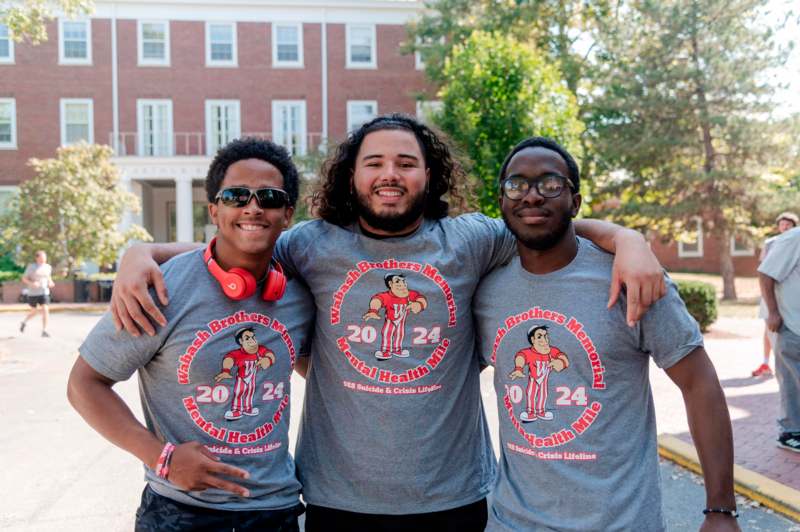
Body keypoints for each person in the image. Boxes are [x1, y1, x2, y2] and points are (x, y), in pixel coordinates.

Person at [108, 114, 667, 530]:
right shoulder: (312, 245)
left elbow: (544, 221)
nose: (389, 175)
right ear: (352, 175)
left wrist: (627, 239)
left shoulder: (471, 240)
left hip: (454, 499)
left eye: (405, 162)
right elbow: (237, 246)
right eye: (374, 162)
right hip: (336, 500)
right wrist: (142, 251)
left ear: (430, 173)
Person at [474, 137, 739, 531]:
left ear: (575, 202)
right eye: (517, 185)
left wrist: (721, 509)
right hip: (512, 522)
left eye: (550, 185)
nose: (532, 196)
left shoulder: (632, 278)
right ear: (501, 200)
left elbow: (700, 384)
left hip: (620, 523)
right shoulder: (486, 289)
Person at [67, 138, 314, 531]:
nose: (253, 206)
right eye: (236, 196)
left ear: (287, 214)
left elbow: (311, 367)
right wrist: (160, 457)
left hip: (277, 510)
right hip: (180, 513)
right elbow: (85, 383)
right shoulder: (161, 289)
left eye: (268, 196)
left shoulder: (299, 296)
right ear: (214, 209)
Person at [758, 223, 800, 453]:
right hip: (791, 323)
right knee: (792, 381)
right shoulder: (792, 239)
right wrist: (773, 312)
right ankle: (789, 433)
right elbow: (765, 273)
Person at [753, 212, 799, 377]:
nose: (785, 227)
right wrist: (772, 310)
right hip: (778, 307)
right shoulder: (772, 243)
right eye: (782, 224)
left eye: (788, 224)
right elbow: (765, 271)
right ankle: (766, 362)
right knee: (770, 332)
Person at [19, 250, 55, 337]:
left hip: (44, 292)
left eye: (45, 257)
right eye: (42, 258)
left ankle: (44, 330)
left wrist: (51, 282)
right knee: (34, 312)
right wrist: (32, 284)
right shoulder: (31, 267)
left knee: (45, 310)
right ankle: (24, 322)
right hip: (33, 293)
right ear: (37, 258)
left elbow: (48, 278)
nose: (44, 259)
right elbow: (24, 279)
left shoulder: (48, 267)